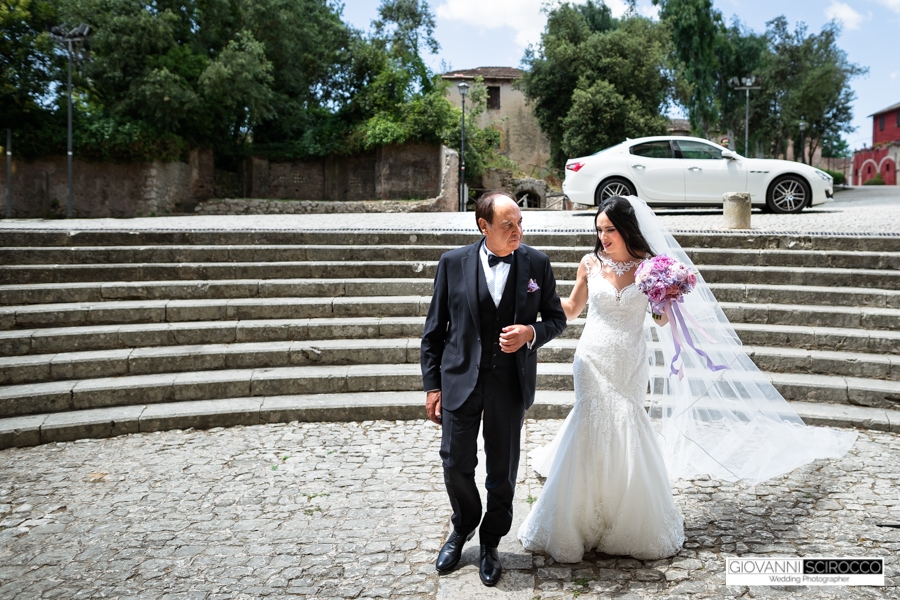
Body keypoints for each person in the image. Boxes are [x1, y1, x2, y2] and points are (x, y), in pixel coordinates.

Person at [518, 195, 857, 563]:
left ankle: (624, 516)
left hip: (629, 360)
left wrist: (664, 298)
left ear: (627, 229)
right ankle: (573, 520)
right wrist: (536, 298)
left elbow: (661, 321)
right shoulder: (590, 263)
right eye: (599, 230)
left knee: (628, 422)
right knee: (588, 421)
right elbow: (571, 308)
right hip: (591, 357)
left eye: (610, 229)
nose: (603, 237)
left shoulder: (650, 268)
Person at [420, 191, 567, 586]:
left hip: (509, 383)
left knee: (502, 470)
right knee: (455, 462)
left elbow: (556, 319)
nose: (518, 231)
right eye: (508, 225)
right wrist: (432, 386)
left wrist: (530, 332)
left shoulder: (537, 263)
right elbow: (434, 332)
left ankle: (490, 541)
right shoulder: (452, 263)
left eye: (520, 223)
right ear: (483, 226)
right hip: (459, 379)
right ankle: (464, 524)